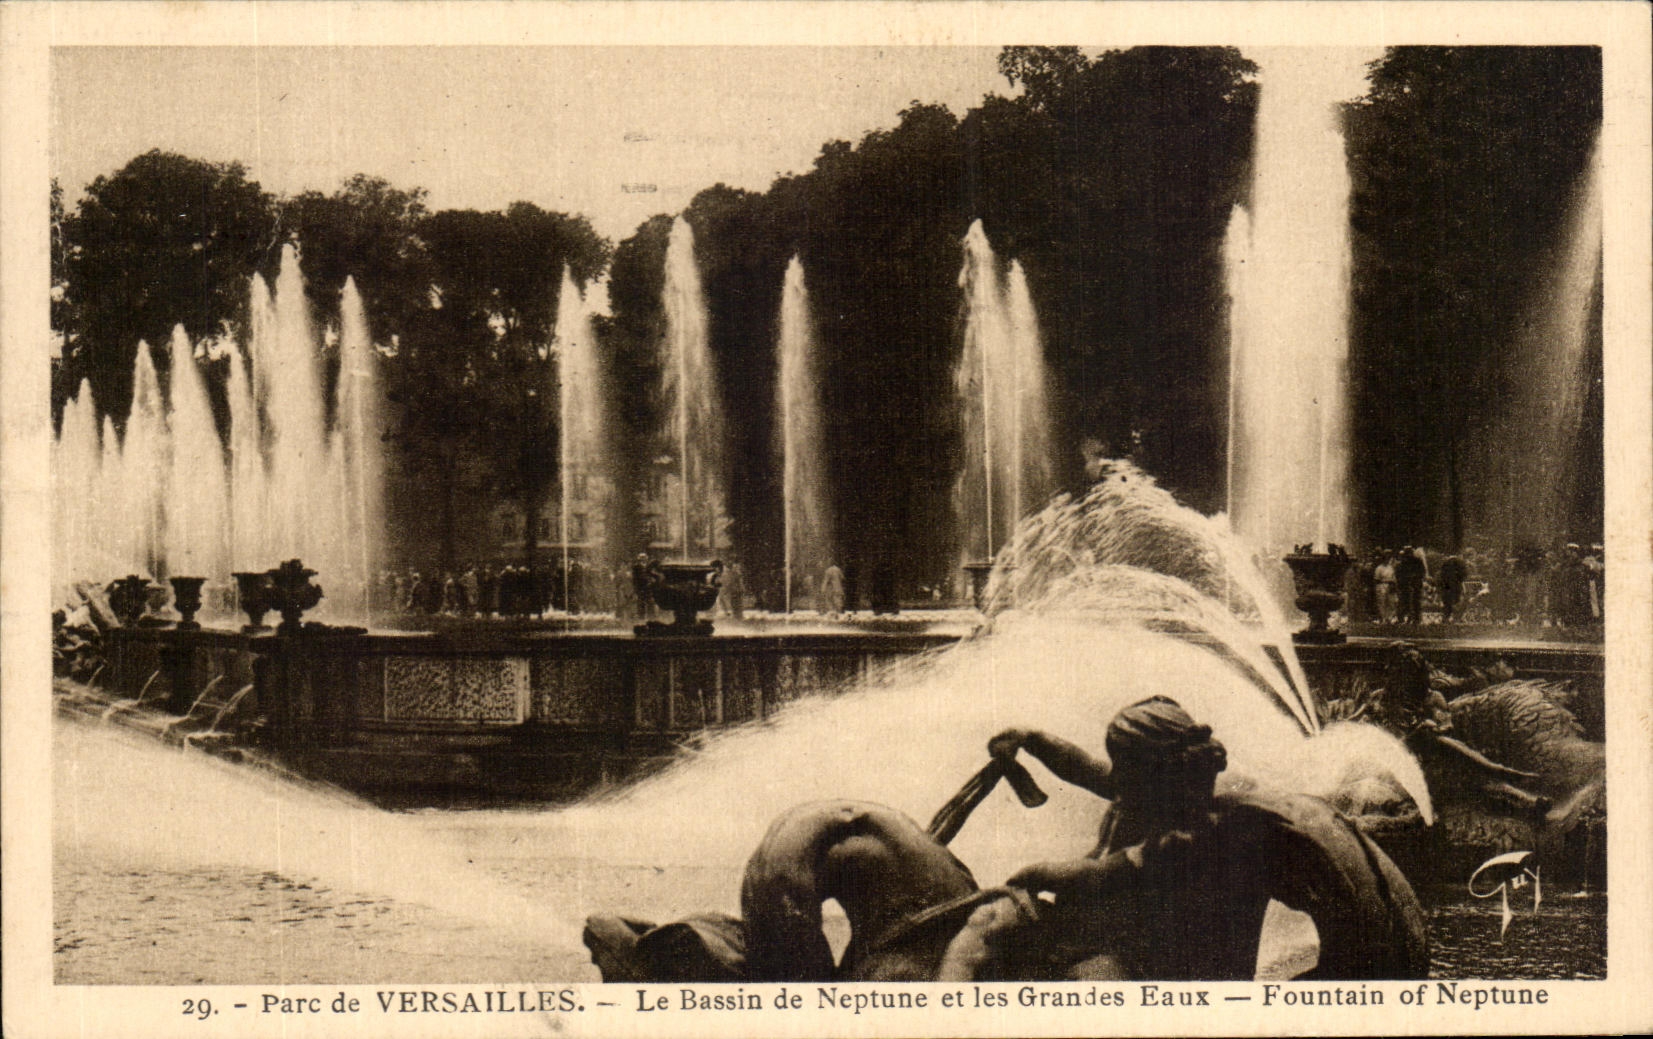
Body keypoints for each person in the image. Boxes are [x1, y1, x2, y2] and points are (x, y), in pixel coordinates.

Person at [943, 698, 1427, 981]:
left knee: (995, 930)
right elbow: (1094, 773)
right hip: (1130, 936)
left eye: (1124, 767)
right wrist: (1031, 738)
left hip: (1163, 968)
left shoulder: (1209, 826)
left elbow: (1098, 875)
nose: (1116, 779)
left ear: (1156, 769)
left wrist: (1032, 873)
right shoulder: (1162, 786)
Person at [1437, 553, 1468, 623]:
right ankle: (1456, 618)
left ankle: (1446, 618)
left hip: (1447, 586)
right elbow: (1464, 575)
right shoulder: (1461, 562)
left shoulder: (1445, 563)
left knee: (1447, 602)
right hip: (1456, 585)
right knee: (1456, 601)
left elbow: (1441, 574)